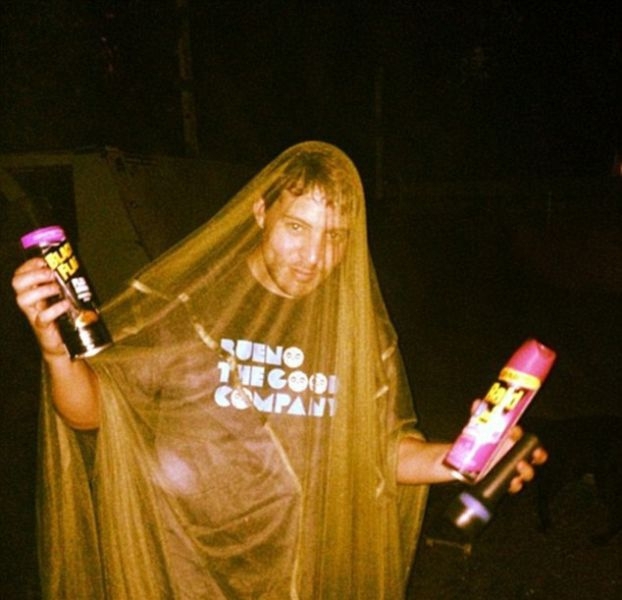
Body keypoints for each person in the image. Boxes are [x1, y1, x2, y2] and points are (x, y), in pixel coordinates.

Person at [13, 142, 545, 599]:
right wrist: (58, 352)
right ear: (261, 212)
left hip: (300, 575)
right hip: (184, 572)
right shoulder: (187, 306)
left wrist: (461, 460)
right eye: (297, 226)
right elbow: (90, 415)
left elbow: (378, 450)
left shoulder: (354, 330)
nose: (313, 255)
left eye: (334, 235)